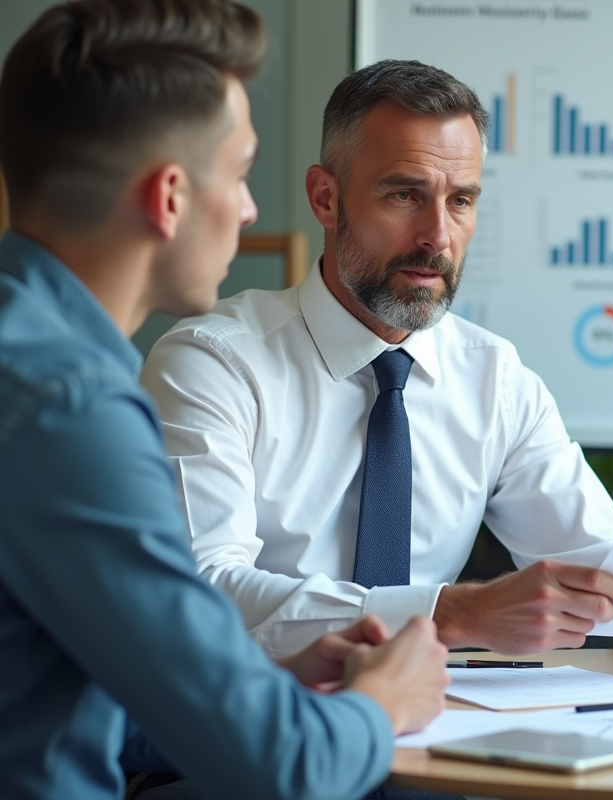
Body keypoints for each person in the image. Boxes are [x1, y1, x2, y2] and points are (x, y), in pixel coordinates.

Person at [140, 59, 613, 663]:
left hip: (425, 741)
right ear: (326, 197)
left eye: (460, 201)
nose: (437, 236)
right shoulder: (212, 365)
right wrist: (448, 614)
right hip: (240, 740)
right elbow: (200, 588)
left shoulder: (493, 378)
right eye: (404, 195)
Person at [0, 2, 450, 799]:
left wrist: (261, 666)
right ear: (168, 197)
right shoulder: (73, 411)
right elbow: (281, 767)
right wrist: (382, 704)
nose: (248, 210)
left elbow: (58, 688)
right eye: (240, 173)